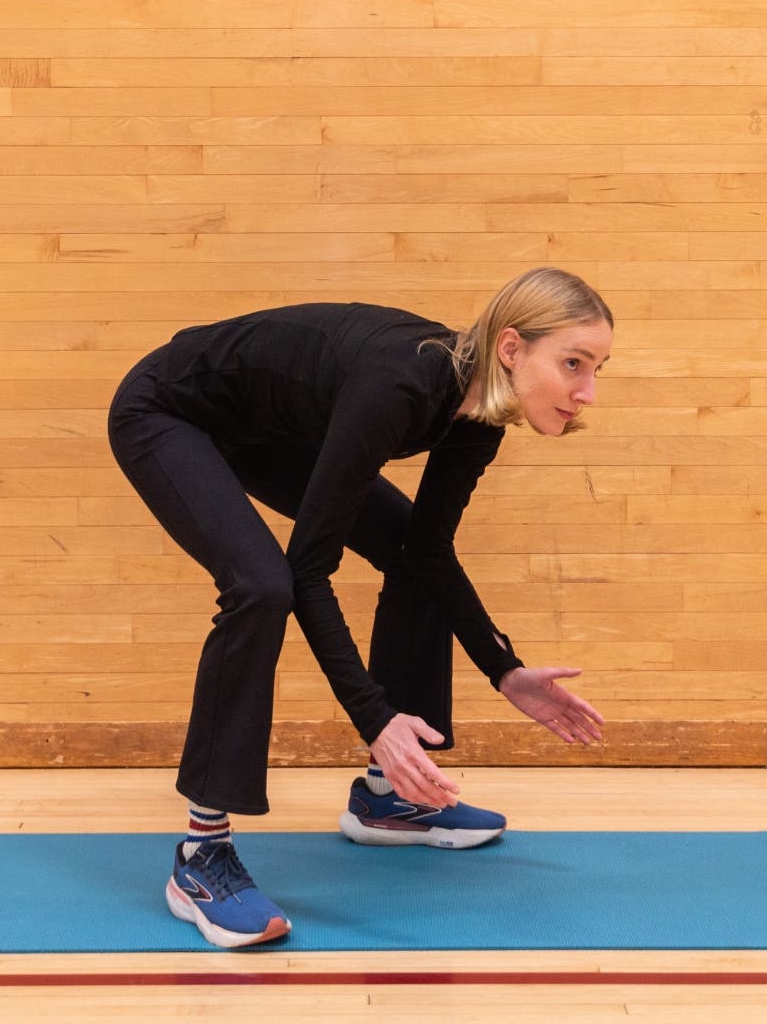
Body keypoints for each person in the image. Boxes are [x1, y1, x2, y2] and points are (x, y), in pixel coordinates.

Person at [105, 267, 614, 949]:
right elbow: (308, 570)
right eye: (573, 363)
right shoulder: (398, 384)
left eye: (598, 368)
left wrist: (504, 669)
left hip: (261, 429)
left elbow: (430, 551)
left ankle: (390, 799)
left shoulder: (481, 413)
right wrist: (375, 717)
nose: (586, 392)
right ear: (512, 348)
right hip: (170, 411)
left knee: (409, 554)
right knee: (263, 586)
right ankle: (201, 859)